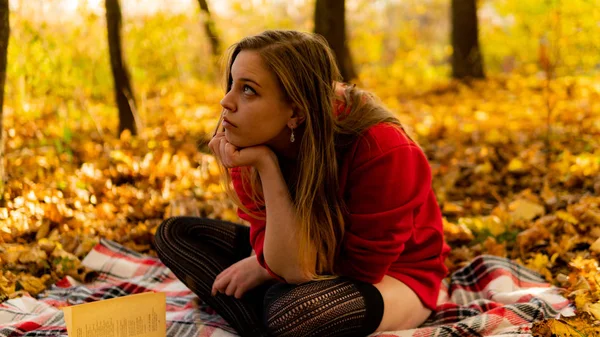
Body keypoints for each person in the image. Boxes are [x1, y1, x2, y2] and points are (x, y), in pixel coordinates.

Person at [154, 30, 450, 337]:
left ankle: (273, 318)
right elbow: (283, 260)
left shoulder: (383, 148)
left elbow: (362, 268)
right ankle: (272, 319)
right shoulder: (249, 141)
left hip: (393, 276)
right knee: (175, 234)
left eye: (248, 90)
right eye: (232, 84)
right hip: (301, 255)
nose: (226, 101)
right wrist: (265, 166)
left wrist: (264, 268)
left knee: (294, 313)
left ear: (295, 111)